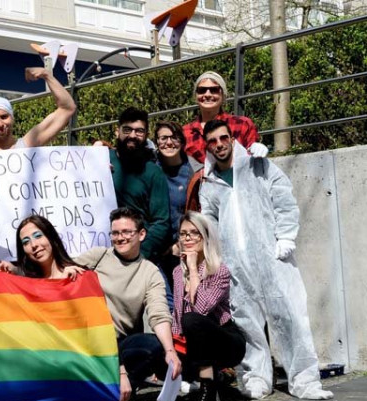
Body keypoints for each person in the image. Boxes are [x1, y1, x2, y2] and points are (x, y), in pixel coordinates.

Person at [199, 119, 333, 401]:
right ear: (207, 145)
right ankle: (256, 378)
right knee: (247, 323)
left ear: (231, 137)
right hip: (236, 264)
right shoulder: (208, 183)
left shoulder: (257, 164)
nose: (220, 145)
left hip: (272, 257)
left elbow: (283, 198)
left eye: (224, 138)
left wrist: (286, 236)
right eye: (213, 141)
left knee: (291, 317)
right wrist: (216, 259)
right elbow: (208, 224)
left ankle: (305, 380)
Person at [72, 208, 182, 401]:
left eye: (126, 232)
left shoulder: (150, 272)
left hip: (121, 343)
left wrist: (169, 350)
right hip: (90, 339)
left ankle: (124, 392)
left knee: (154, 346)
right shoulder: (97, 257)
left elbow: (159, 314)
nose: (120, 238)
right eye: (115, 233)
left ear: (141, 234)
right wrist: (68, 268)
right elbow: (56, 272)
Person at [171, 212, 245, 401]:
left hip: (226, 341)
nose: (187, 239)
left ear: (205, 238)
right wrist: (171, 350)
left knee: (193, 320)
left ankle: (208, 395)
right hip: (195, 343)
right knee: (157, 350)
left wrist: (193, 269)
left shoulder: (219, 270)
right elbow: (178, 313)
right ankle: (217, 379)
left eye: (194, 233)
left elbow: (200, 310)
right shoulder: (178, 272)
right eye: (183, 234)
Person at [182, 71, 266, 211]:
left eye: (214, 90)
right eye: (202, 90)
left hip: (239, 197)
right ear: (196, 96)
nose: (207, 94)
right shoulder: (185, 133)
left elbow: (253, 161)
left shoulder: (242, 124)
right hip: (202, 202)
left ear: (223, 95)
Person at [109, 107, 171, 260]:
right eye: (127, 130)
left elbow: (161, 222)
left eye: (139, 131)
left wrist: (138, 254)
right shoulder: (101, 159)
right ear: (117, 131)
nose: (132, 135)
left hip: (140, 256)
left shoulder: (154, 172)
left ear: (146, 135)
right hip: (102, 252)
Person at [0, 67, 77, 153]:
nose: (0, 123)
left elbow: (67, 108)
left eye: (4, 117)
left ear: (12, 118)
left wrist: (47, 75)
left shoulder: (27, 145)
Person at [154, 120, 195, 310]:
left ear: (182, 141)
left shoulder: (192, 173)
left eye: (174, 138)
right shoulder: (149, 167)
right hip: (154, 251)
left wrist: (179, 244)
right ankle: (173, 340)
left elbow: (197, 214)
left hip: (181, 250)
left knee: (187, 302)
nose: (169, 143)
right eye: (163, 138)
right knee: (166, 304)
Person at [10, 215, 82, 281]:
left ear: (51, 237)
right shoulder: (27, 287)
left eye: (38, 236)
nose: (33, 245)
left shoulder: (79, 276)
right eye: (26, 242)